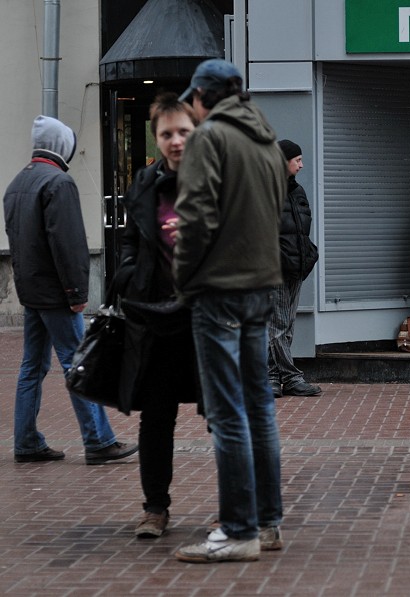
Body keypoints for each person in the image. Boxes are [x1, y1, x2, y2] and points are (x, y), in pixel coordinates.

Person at [171, 59, 286, 563]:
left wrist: (183, 275)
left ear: (202, 96)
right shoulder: (265, 140)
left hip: (219, 288)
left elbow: (195, 214)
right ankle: (267, 523)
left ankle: (237, 530)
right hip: (262, 286)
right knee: (259, 407)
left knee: (228, 411)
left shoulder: (209, 137)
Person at [3, 115, 138, 465]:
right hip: (57, 294)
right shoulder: (59, 183)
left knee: (32, 366)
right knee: (80, 363)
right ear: (62, 146)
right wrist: (77, 293)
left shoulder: (18, 183)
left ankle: (27, 440)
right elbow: (68, 244)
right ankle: (99, 440)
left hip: (31, 290)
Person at [114, 93, 202, 538]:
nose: (175, 141)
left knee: (223, 415)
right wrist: (132, 277)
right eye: (166, 133)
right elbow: (129, 242)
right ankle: (155, 508)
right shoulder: (145, 185)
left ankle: (237, 510)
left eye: (183, 131)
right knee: (156, 416)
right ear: (156, 138)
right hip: (157, 317)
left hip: (207, 318)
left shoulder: (214, 181)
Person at [268, 139, 321, 398]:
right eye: (297, 160)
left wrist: (309, 254)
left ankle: (271, 377)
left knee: (286, 326)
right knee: (276, 326)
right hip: (274, 268)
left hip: (296, 268)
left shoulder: (297, 191)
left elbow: (301, 230)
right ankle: (291, 376)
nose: (301, 165)